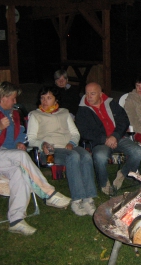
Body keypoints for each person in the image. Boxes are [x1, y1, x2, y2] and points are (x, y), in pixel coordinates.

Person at [0, 81, 71, 235]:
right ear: (3, 97)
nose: (15, 102)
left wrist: (20, 143)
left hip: (6, 157)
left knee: (19, 174)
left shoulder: (14, 114)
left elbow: (22, 134)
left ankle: (16, 220)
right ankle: (48, 193)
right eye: (13, 98)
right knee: (21, 157)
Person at [27, 86, 97, 216]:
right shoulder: (35, 115)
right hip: (49, 153)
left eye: (49, 98)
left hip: (69, 147)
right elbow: (30, 139)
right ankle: (77, 200)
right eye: (42, 98)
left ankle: (89, 199)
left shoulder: (64, 112)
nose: (44, 101)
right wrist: (42, 144)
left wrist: (71, 142)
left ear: (56, 99)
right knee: (73, 156)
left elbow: (75, 133)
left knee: (86, 156)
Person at [75, 82, 141, 196]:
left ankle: (123, 173)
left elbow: (124, 120)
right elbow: (84, 132)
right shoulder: (83, 110)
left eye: (92, 93)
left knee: (139, 152)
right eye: (87, 94)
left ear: (101, 94)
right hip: (100, 142)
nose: (89, 97)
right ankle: (104, 184)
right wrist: (105, 139)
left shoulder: (111, 103)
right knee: (100, 156)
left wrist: (115, 136)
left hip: (118, 137)